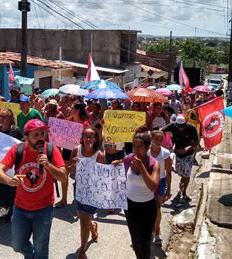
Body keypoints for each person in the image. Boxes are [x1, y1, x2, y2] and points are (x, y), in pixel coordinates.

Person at [0, 119, 66, 258]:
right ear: (27, 137)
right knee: (18, 245)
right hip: (21, 208)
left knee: (41, 248)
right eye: (36, 135)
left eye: (43, 134)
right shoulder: (18, 150)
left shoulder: (52, 150)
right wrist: (9, 180)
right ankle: (30, 255)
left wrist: (48, 165)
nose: (41, 138)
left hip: (44, 210)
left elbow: (63, 177)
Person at [114, 132, 160, 259]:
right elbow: (120, 162)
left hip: (147, 208)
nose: (136, 150)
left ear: (147, 147)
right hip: (130, 207)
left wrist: (142, 168)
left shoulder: (154, 164)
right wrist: (116, 163)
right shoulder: (129, 158)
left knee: (144, 242)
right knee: (135, 241)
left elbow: (153, 186)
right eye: (134, 146)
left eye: (139, 146)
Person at [68, 127, 105, 259]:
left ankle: (82, 250)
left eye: (91, 136)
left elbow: (103, 177)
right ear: (82, 137)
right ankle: (93, 226)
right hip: (78, 187)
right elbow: (69, 170)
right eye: (86, 136)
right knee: (81, 215)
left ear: (96, 139)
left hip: (93, 191)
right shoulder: (76, 150)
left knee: (83, 220)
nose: (88, 139)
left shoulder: (99, 155)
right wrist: (73, 165)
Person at [56, 103, 90, 208]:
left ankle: (82, 199)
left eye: (73, 108)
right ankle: (64, 198)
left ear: (78, 110)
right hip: (67, 149)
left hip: (80, 151)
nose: (70, 109)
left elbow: (88, 138)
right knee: (64, 173)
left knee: (80, 175)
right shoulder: (68, 121)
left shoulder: (85, 124)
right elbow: (60, 135)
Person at [162, 115, 198, 202]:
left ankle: (184, 192)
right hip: (178, 153)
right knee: (179, 172)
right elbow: (161, 130)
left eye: (183, 126)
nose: (181, 128)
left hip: (189, 153)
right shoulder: (172, 126)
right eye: (179, 126)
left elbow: (196, 142)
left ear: (186, 123)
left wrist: (186, 149)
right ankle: (182, 185)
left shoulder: (191, 128)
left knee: (186, 173)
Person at [148, 130, 172, 245]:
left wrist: (169, 190)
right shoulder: (146, 152)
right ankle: (151, 229)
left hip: (161, 183)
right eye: (156, 139)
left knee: (157, 208)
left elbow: (168, 172)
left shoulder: (166, 153)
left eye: (161, 139)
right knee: (147, 208)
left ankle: (157, 232)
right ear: (151, 139)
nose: (158, 141)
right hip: (147, 182)